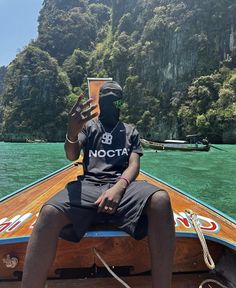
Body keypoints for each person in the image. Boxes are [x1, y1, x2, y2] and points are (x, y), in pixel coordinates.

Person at [21, 81, 175, 288]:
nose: (111, 102)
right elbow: (71, 155)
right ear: (100, 101)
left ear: (121, 103)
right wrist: (72, 133)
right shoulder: (89, 128)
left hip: (124, 186)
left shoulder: (130, 131)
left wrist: (119, 188)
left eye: (116, 99)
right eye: (106, 97)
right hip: (89, 184)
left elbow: (134, 165)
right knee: (49, 212)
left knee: (160, 200)